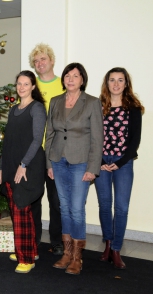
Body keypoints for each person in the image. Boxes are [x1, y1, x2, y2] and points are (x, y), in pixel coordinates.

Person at [46, 63, 103, 275]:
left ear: (82, 80)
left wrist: (93, 168)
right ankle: (67, 254)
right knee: (64, 206)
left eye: (75, 76)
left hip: (81, 163)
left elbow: (98, 138)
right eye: (67, 75)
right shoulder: (55, 101)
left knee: (77, 209)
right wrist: (49, 163)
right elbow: (49, 134)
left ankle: (78, 258)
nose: (70, 79)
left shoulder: (92, 103)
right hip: (58, 160)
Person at [95, 67, 143, 269]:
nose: (116, 84)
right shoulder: (98, 106)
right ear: (107, 84)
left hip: (123, 162)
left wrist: (120, 162)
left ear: (126, 83)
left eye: (120, 80)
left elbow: (135, 141)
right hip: (101, 162)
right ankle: (107, 242)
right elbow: (93, 137)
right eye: (112, 80)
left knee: (121, 208)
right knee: (105, 205)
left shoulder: (133, 108)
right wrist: (99, 162)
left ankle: (116, 249)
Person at [0, 71, 46, 274]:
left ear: (33, 86)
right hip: (11, 165)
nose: (21, 87)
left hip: (29, 166)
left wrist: (24, 164)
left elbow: (37, 140)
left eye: (26, 84)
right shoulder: (13, 110)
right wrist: (2, 167)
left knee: (22, 209)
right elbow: (7, 141)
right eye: (19, 83)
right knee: (16, 210)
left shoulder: (36, 108)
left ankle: (27, 258)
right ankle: (26, 249)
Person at [29, 43, 64, 255]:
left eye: (43, 59)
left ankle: (57, 241)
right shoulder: (30, 87)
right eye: (36, 61)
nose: (40, 63)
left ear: (51, 60)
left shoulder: (63, 84)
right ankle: (33, 240)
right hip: (34, 153)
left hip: (56, 151)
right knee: (34, 199)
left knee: (56, 201)